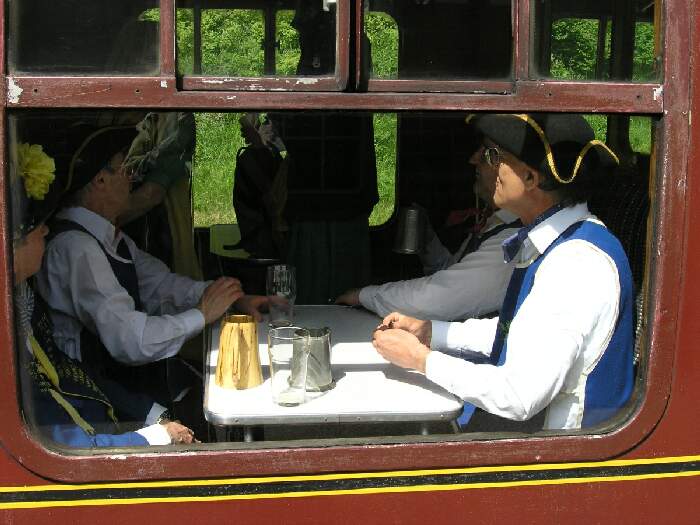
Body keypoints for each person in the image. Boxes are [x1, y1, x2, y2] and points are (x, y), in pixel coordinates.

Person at [372, 113, 634, 431]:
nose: (483, 163)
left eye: (494, 156)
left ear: (530, 178)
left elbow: (520, 395)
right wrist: (431, 332)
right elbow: (523, 331)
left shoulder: (576, 262)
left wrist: (420, 359)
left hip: (559, 451)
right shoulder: (560, 240)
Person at [36, 126, 266, 409]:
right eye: (126, 170)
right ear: (100, 180)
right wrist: (202, 314)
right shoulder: (76, 247)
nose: (132, 178)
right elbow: (131, 341)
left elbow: (160, 285)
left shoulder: (107, 238)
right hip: (99, 398)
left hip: (127, 383)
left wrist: (228, 298)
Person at [11, 144, 195, 447]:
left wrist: (153, 414)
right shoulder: (74, 247)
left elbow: (71, 375)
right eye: (37, 225)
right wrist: (154, 437)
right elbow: (60, 444)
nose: (46, 231)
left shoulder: (24, 305)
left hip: (102, 414)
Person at [335, 140, 521, 320]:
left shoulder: (513, 239)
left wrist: (364, 296)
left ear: (525, 174)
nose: (473, 159)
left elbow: (445, 296)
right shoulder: (495, 224)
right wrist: (427, 237)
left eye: (488, 153)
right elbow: (451, 273)